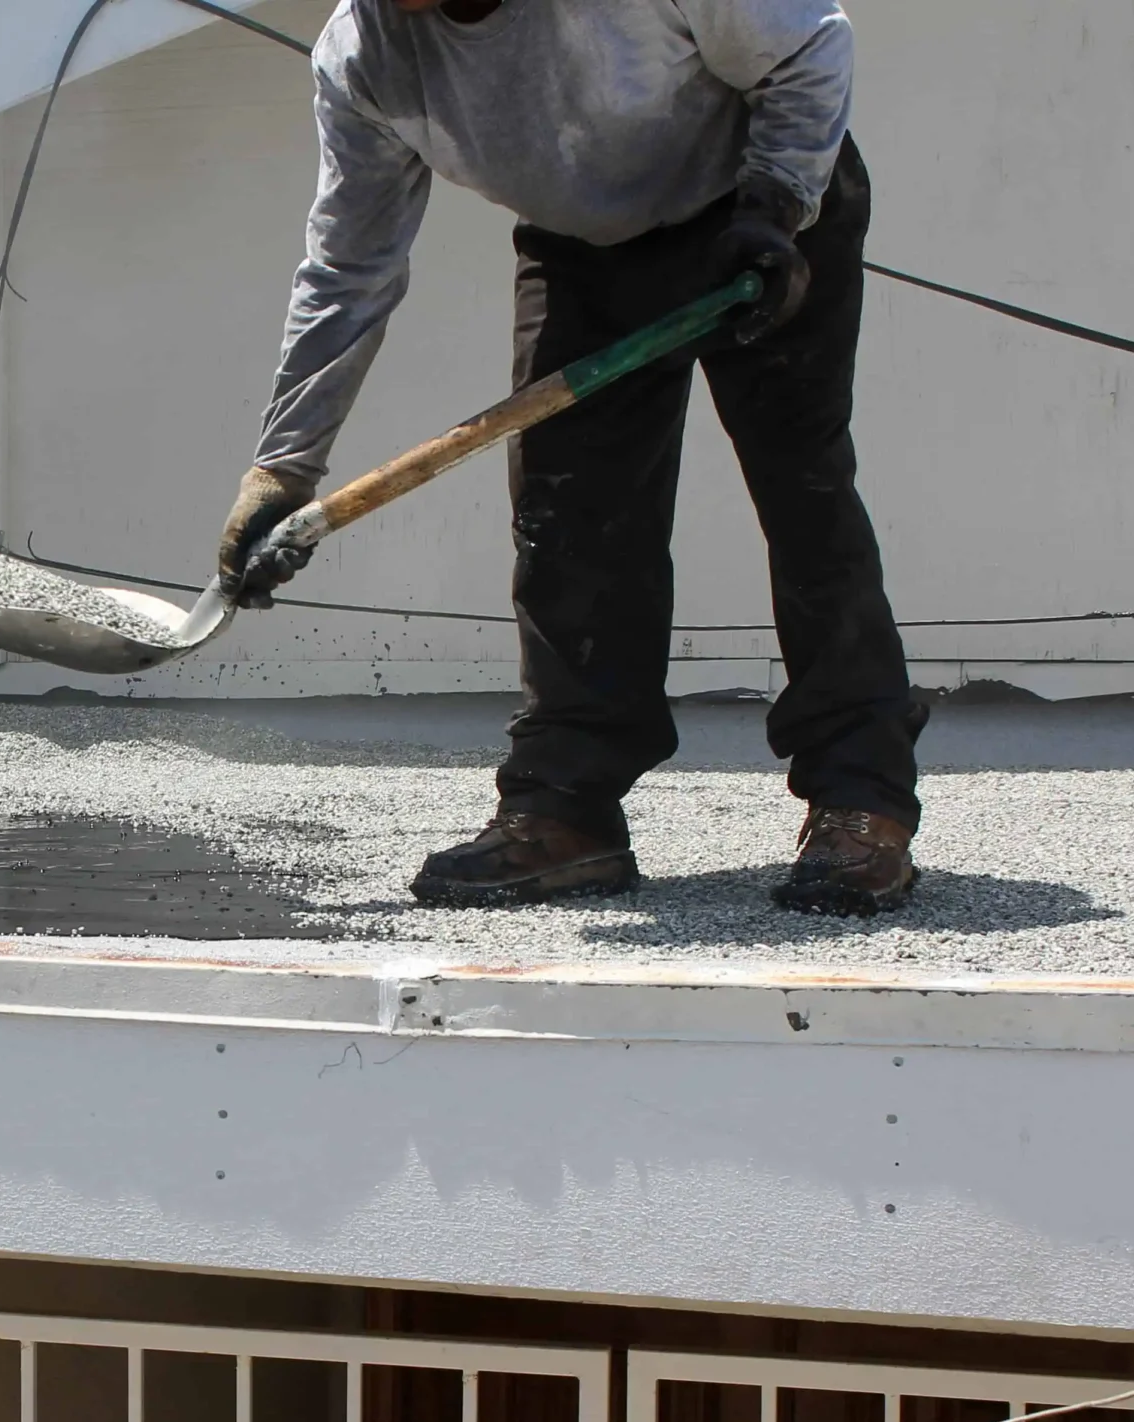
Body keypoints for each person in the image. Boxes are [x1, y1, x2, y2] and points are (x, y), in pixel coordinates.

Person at [219, 0, 922, 915]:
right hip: (585, 251)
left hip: (758, 206)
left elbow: (812, 44)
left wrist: (777, 205)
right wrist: (283, 468)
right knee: (568, 522)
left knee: (804, 490)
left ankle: (862, 797)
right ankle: (566, 807)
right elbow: (348, 269)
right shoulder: (363, 57)